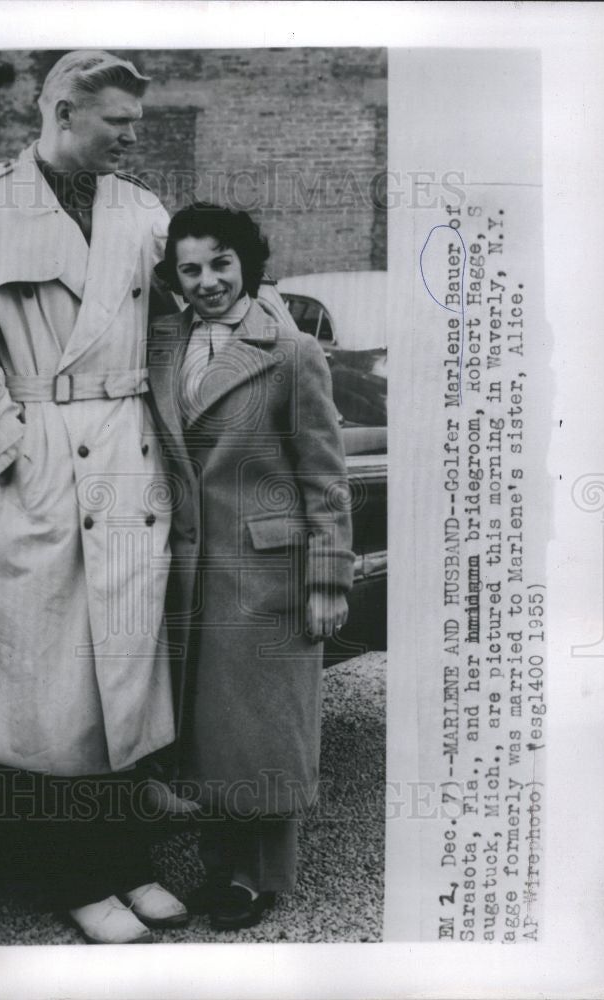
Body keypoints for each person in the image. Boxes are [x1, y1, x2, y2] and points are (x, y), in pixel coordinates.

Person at [0, 50, 187, 944]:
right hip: (32, 469)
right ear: (64, 110)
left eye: (136, 124)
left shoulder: (143, 212)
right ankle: (71, 876)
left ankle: (129, 863)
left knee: (126, 680)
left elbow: (174, 337)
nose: (133, 137)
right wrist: (19, 455)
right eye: (118, 121)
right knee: (47, 696)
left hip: (126, 462)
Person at [147, 203, 355, 930]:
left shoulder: (291, 351)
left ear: (248, 263)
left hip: (270, 570)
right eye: (190, 269)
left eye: (220, 263)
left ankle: (260, 876)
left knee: (266, 728)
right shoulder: (168, 348)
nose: (207, 281)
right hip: (194, 570)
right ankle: (219, 868)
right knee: (211, 730)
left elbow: (325, 476)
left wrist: (328, 578)